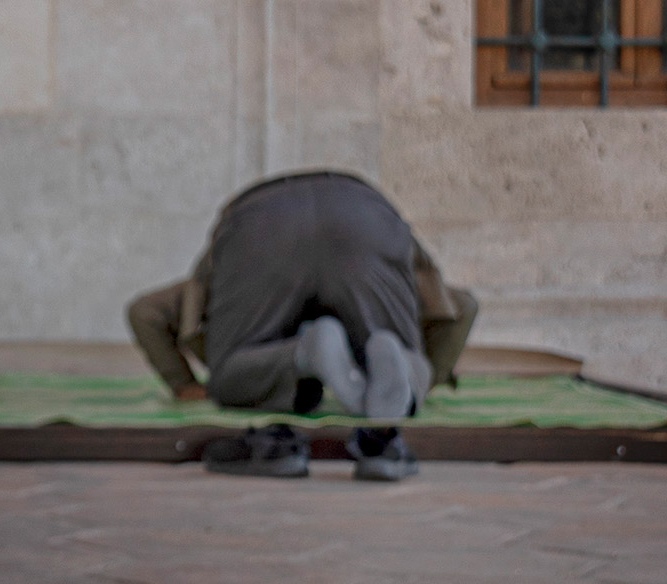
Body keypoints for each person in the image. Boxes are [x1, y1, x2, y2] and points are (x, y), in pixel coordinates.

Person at [125, 170, 477, 482]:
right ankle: (403, 368)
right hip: (365, 214)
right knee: (401, 350)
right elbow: (462, 308)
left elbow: (144, 312)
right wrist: (429, 377)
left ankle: (305, 352)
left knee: (233, 374)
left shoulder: (222, 270)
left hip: (260, 223)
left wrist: (184, 384)